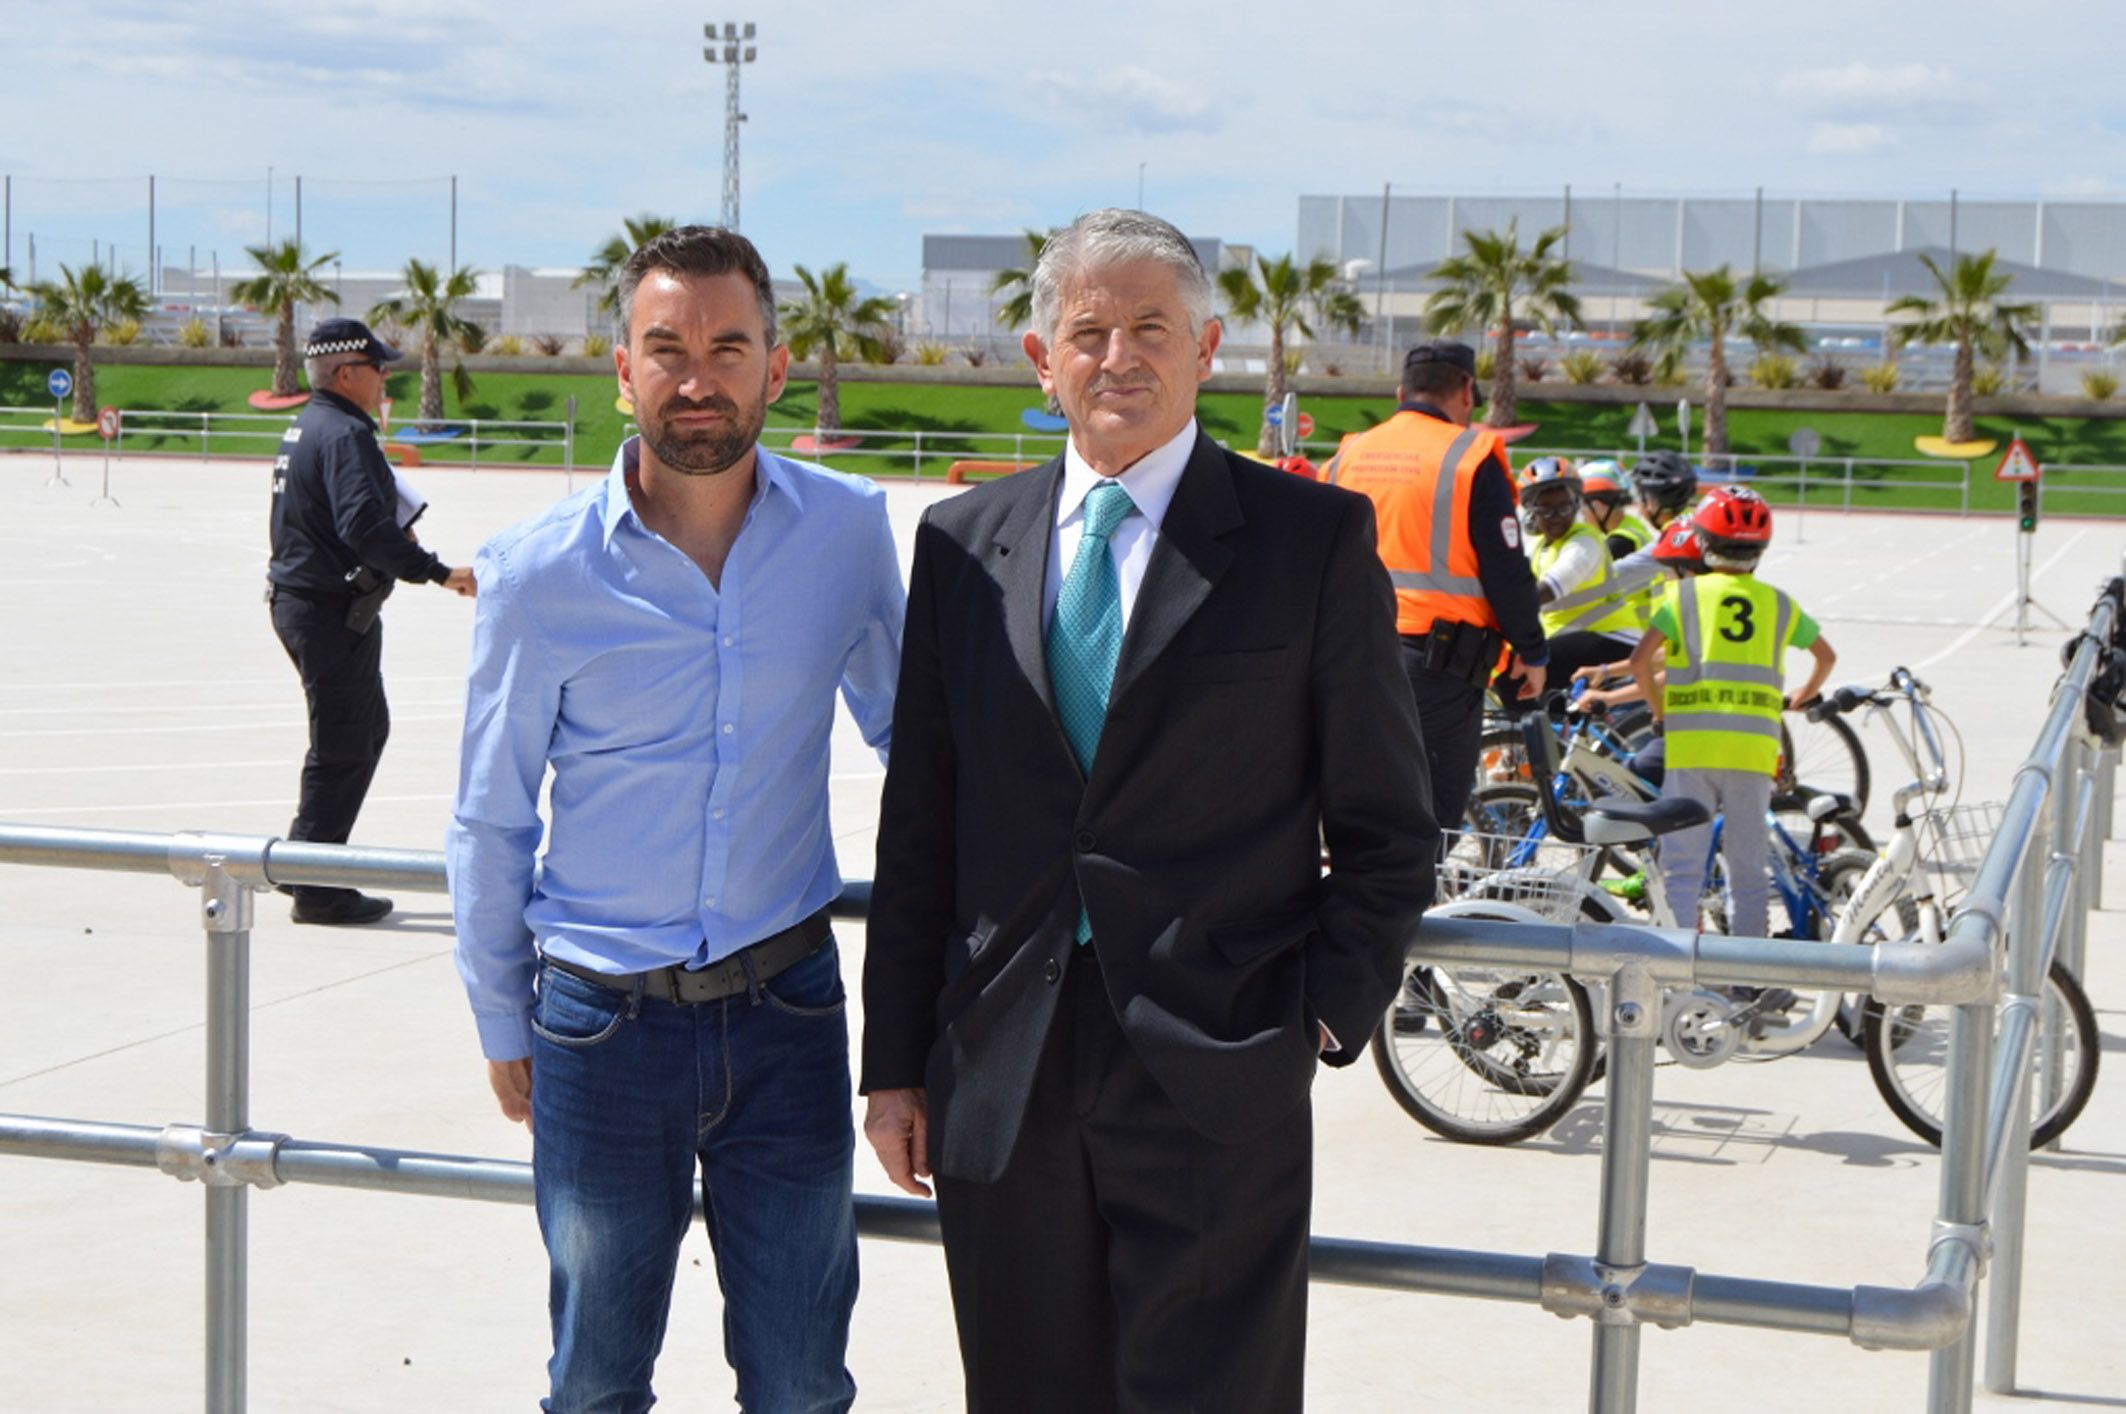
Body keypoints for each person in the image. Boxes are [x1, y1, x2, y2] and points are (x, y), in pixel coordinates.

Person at [859, 208, 1436, 1413]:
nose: (1117, 356)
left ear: (1206, 345)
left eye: (1149, 328)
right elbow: (919, 822)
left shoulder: (1308, 539)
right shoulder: (964, 544)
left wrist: (1321, 1018)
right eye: (1088, 330)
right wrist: (896, 1063)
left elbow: (1388, 825)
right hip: (1000, 1074)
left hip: (1217, 1064)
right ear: (1041, 359)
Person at [446, 226, 904, 1412]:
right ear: (622, 368)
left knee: (803, 1380)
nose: (696, 377)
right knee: (595, 1379)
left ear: (775, 366)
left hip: (789, 1013)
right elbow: (489, 818)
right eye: (666, 348)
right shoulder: (536, 574)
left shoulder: (849, 534)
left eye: (726, 346)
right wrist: (505, 1015)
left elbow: (916, 740)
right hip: (599, 1026)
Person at [268, 317, 475, 926]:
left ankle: (311, 867)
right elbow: (362, 527)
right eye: (379, 368)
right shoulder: (344, 434)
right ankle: (314, 884)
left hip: (311, 605)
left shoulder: (313, 425)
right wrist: (436, 571)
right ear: (346, 373)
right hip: (328, 611)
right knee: (344, 743)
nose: (386, 378)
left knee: (360, 732)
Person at [1319, 339, 1547, 831]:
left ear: (1402, 391)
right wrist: (1531, 650)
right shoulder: (1469, 455)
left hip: (1343, 657)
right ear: (1466, 391)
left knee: (1354, 813)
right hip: (1433, 669)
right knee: (1425, 823)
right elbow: (1504, 568)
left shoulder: (1347, 454)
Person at [1629, 487, 1836, 936]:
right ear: (1760, 550)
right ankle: (1747, 979)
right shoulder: (1779, 603)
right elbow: (1826, 657)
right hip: (1754, 753)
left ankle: (1676, 975)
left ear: (1702, 543)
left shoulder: (1682, 597)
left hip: (1690, 748)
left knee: (1681, 870)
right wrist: (1802, 694)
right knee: (1747, 873)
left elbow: (1639, 662)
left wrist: (1659, 711)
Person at [1522, 456, 1645, 685]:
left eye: (1564, 507)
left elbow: (1550, 587)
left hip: (1612, 638)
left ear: (1576, 505)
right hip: (1573, 637)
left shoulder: (1585, 542)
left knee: (1519, 670)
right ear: (1531, 512)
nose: (1557, 517)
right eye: (1546, 510)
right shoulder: (1538, 547)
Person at [1579, 459, 1653, 561]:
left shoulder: (1619, 543)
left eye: (1582, 506)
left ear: (1599, 506)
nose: (1582, 514)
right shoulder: (1630, 524)